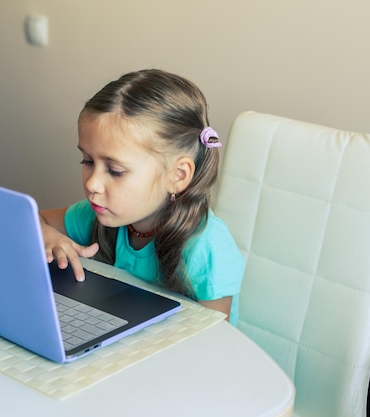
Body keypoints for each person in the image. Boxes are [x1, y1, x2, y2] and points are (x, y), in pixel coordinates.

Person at [39, 69, 244, 324]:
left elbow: (213, 343)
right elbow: (36, 220)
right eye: (88, 160)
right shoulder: (95, 216)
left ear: (177, 176)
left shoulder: (206, 248)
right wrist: (48, 237)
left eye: (115, 171)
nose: (92, 183)